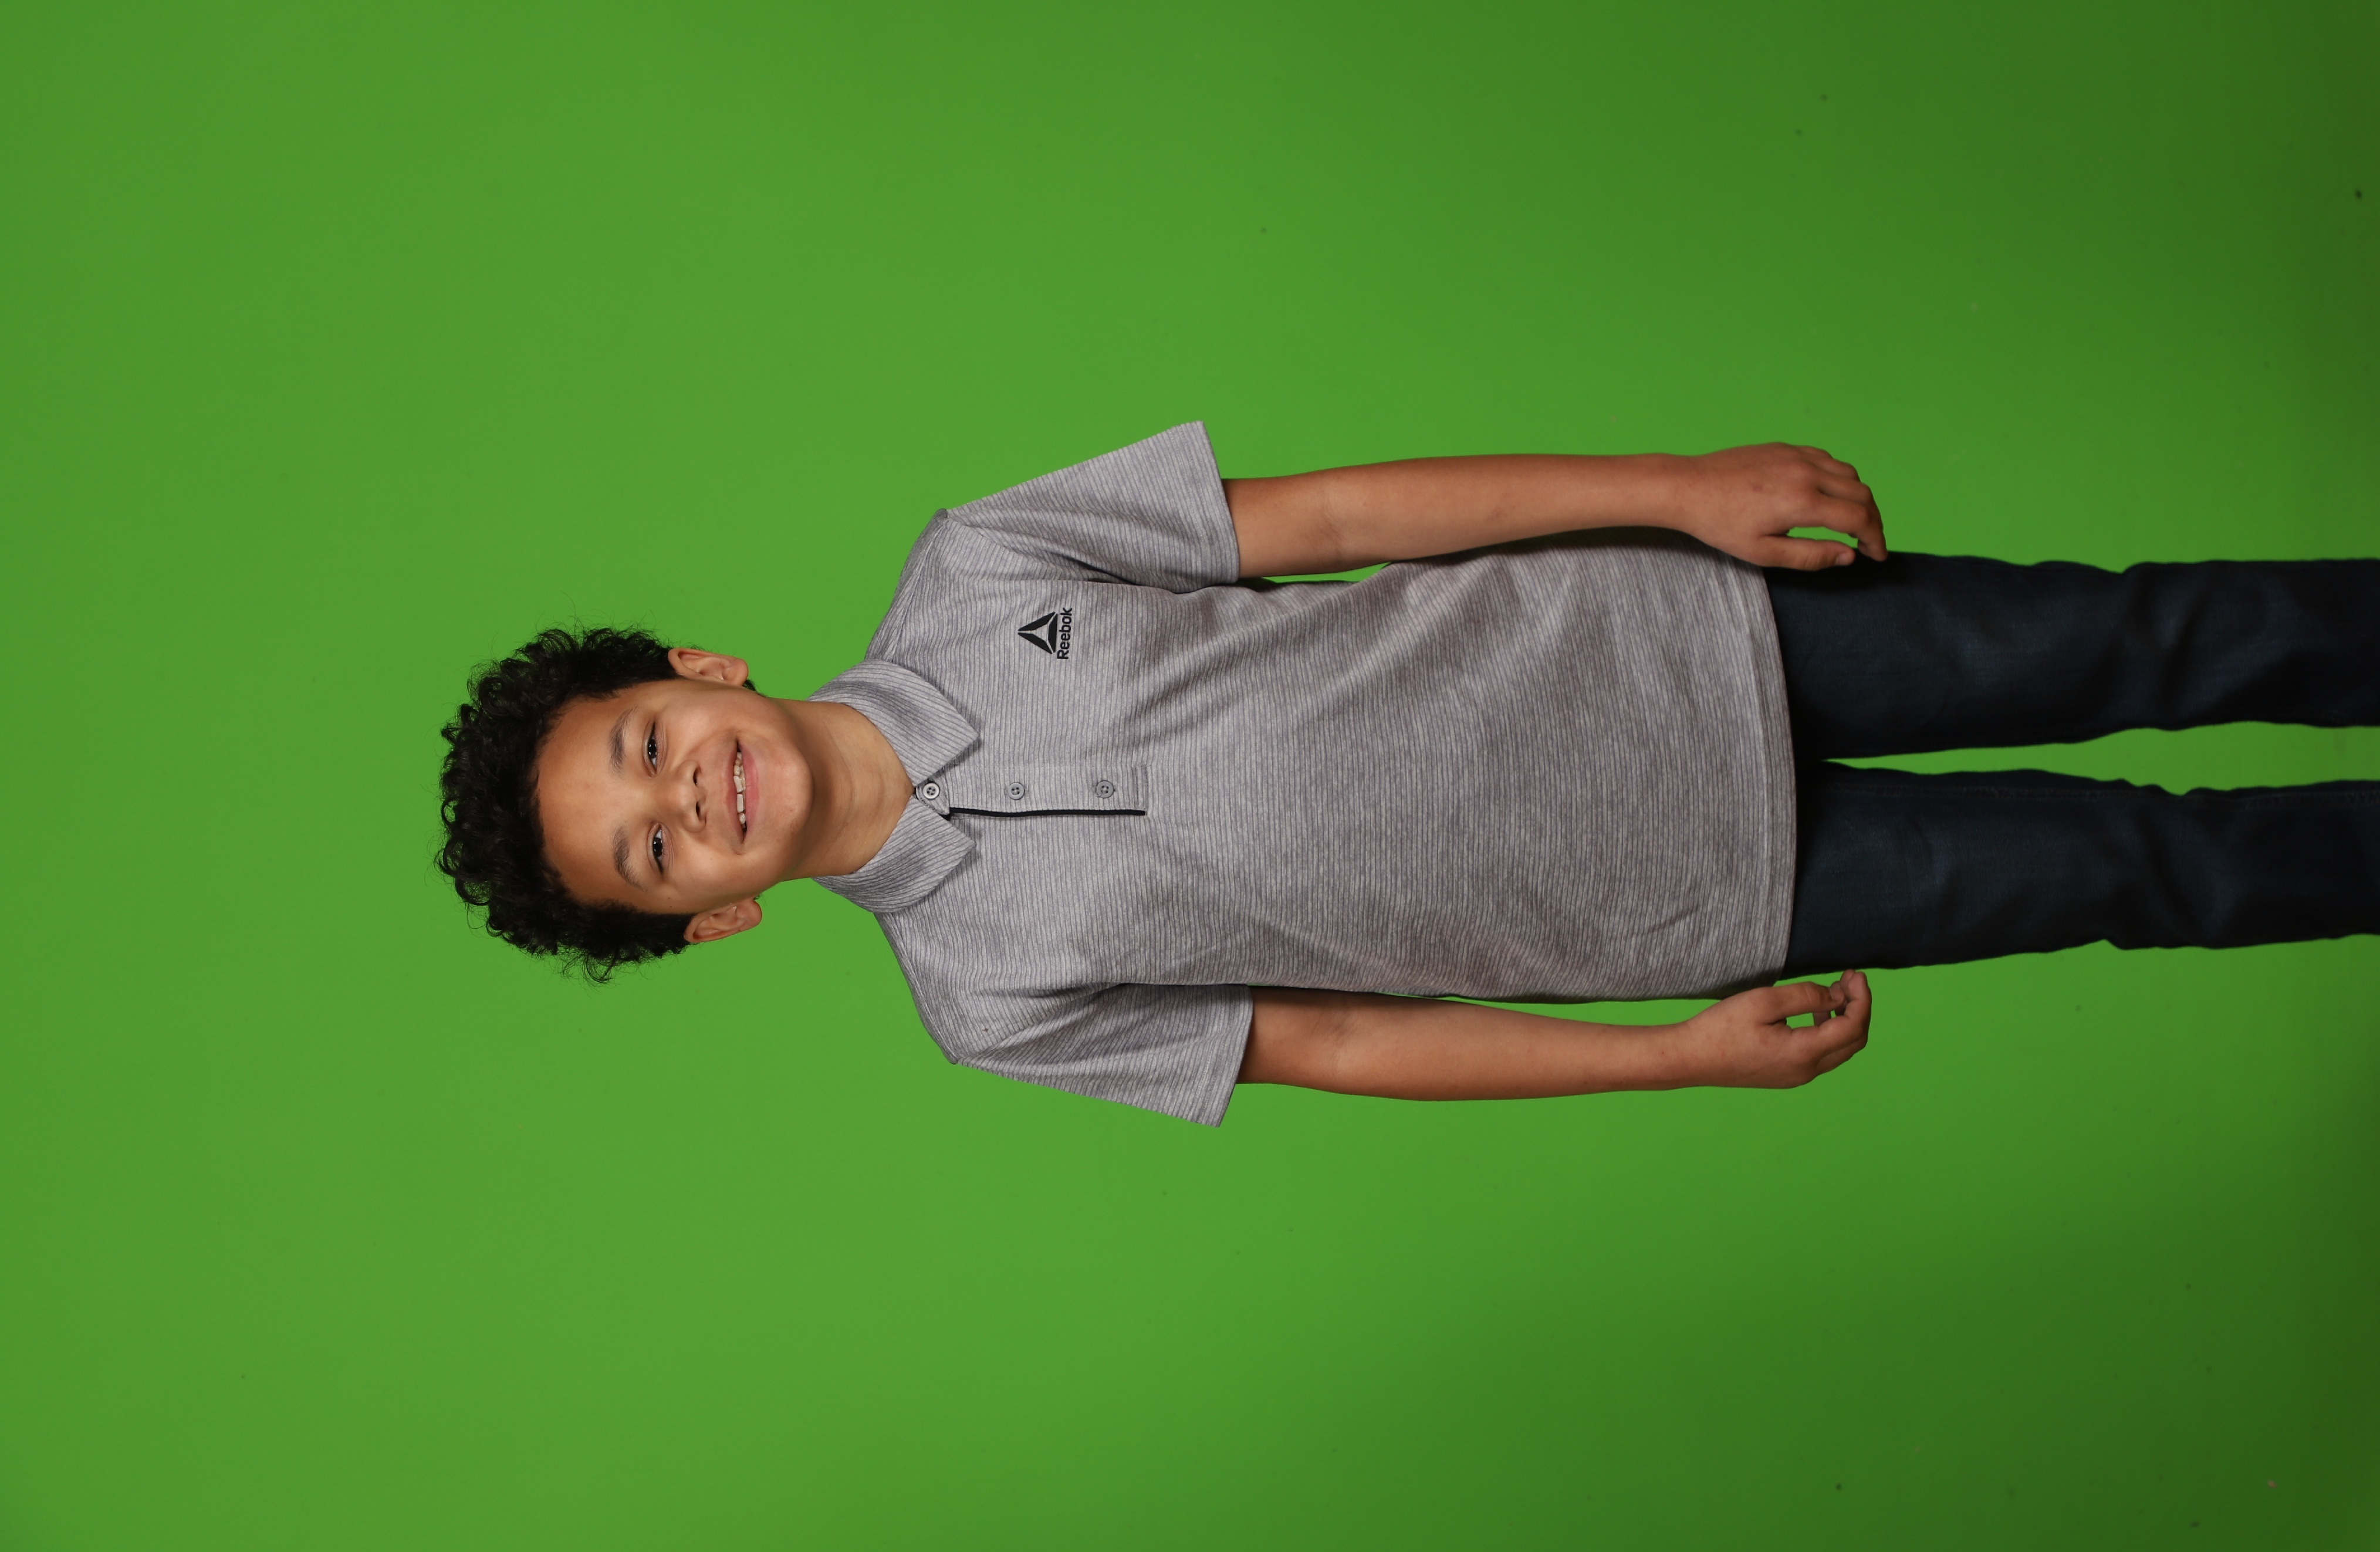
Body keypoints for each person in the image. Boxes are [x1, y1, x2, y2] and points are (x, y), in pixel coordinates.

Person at [437, 425, 2380, 1125]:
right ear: (717, 918)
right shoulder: (988, 1002)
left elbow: (1344, 516)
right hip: (1707, 899)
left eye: (644, 748)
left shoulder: (981, 564)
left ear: (698, 671)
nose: (687, 801)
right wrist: (1665, 1059)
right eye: (653, 855)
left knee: (2159, 637)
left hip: (1691, 634)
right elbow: (1344, 1043)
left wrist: (1674, 490)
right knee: (2154, 874)